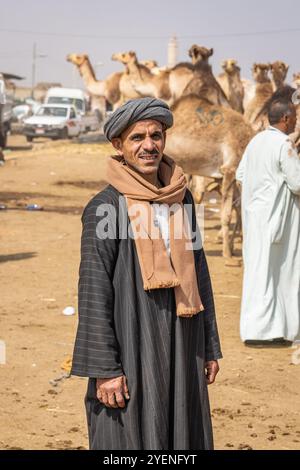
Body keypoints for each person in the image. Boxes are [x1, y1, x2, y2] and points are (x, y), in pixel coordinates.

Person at [71, 97, 222, 450]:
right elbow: (93, 291)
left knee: (180, 432)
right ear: (118, 146)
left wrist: (209, 344)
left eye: (156, 135)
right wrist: (105, 369)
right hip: (131, 340)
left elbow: (199, 272)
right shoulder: (105, 207)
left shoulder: (181, 199)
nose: (149, 145)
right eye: (137, 137)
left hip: (184, 340)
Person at [236, 90, 300, 344]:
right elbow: (297, 183)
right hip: (278, 223)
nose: (295, 121)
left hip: (255, 221)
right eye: (294, 117)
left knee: (258, 273)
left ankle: (256, 331)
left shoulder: (255, 142)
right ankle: (276, 331)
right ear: (285, 118)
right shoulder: (284, 145)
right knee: (282, 273)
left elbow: (240, 175)